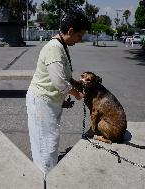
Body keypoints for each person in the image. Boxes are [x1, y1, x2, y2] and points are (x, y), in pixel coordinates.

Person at [26, 9, 91, 177]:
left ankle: (45, 173)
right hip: (42, 102)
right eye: (79, 35)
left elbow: (65, 77)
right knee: (46, 144)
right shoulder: (55, 48)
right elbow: (60, 82)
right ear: (70, 31)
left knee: (46, 140)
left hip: (49, 102)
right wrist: (77, 94)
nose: (80, 39)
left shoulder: (61, 45)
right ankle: (45, 178)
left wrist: (79, 84)